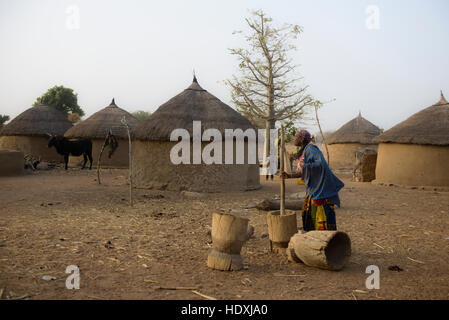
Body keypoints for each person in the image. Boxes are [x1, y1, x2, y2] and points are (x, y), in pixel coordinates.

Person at [281, 129, 344, 231]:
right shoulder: (304, 151)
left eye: (296, 136)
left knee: (321, 217)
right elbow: (305, 171)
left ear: (302, 139)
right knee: (310, 214)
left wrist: (305, 165)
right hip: (313, 189)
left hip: (321, 190)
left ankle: (325, 240)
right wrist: (289, 175)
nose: (294, 138)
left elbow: (321, 164)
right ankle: (314, 238)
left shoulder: (311, 149)